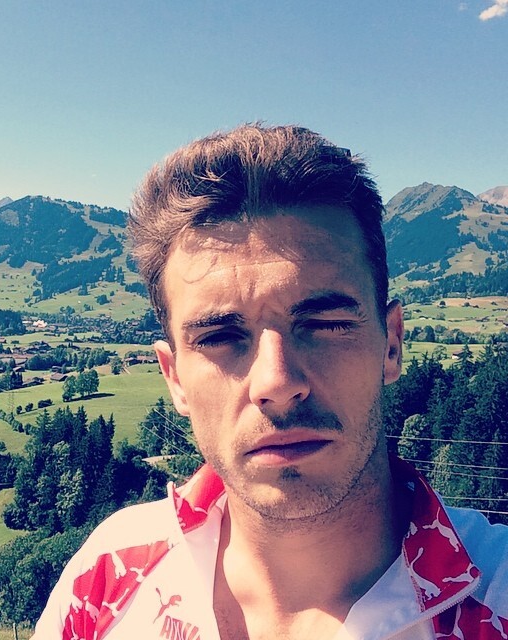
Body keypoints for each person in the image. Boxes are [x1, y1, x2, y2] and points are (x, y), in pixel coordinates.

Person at [32, 124, 508, 640]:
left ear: (390, 345)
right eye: (219, 337)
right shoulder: (105, 580)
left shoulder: (497, 598)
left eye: (325, 324)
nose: (276, 382)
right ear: (175, 378)